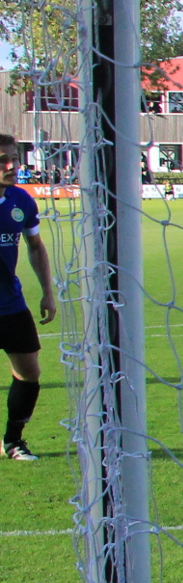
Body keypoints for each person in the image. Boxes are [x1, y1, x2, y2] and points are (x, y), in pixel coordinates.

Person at [0, 134, 57, 461]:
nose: (11, 166)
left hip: (10, 304)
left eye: (14, 158)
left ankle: (12, 442)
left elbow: (35, 247)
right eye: (2, 160)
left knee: (29, 373)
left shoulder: (21, 200)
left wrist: (48, 293)